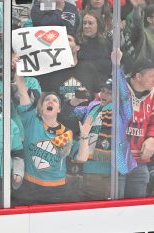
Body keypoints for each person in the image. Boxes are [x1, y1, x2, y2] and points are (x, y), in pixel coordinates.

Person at [64, 49, 137, 201]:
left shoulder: (122, 111)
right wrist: (73, 101)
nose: (103, 95)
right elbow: (68, 113)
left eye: (108, 92)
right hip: (84, 171)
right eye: (102, 91)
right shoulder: (92, 107)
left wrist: (116, 67)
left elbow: (124, 96)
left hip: (108, 175)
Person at [12, 75, 87, 205]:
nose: (50, 102)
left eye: (54, 101)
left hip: (56, 190)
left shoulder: (66, 133)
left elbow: (81, 158)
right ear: (41, 108)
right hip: (29, 187)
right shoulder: (31, 121)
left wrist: (84, 136)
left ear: (59, 110)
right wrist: (19, 73)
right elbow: (23, 94)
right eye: (47, 100)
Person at [120, 57, 154, 198]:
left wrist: (152, 137)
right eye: (151, 76)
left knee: (137, 209)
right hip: (117, 161)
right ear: (138, 76)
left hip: (140, 162)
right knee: (114, 209)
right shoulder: (117, 90)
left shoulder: (153, 94)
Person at [77, 10, 112, 82]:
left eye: (90, 23)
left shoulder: (107, 43)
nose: (86, 26)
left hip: (104, 84)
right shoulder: (77, 43)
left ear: (98, 25)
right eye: (84, 23)